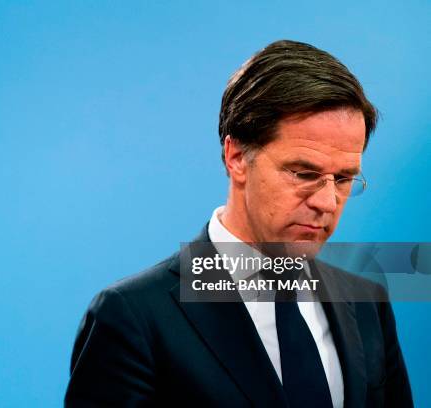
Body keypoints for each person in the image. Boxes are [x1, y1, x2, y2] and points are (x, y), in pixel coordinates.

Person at [64, 40, 413, 407]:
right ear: (236, 157)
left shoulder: (367, 303)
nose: (326, 202)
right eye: (304, 173)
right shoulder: (131, 318)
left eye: (343, 179)